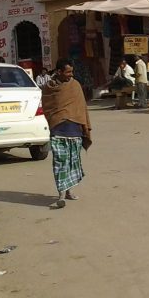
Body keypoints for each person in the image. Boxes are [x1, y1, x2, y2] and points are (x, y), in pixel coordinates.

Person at [41, 58, 92, 209]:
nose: (71, 75)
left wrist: (84, 128)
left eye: (72, 71)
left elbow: (81, 107)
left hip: (74, 131)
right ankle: (61, 194)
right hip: (57, 131)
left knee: (72, 163)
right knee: (60, 163)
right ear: (58, 72)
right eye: (68, 72)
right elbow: (48, 108)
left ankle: (69, 191)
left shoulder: (75, 86)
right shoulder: (48, 88)